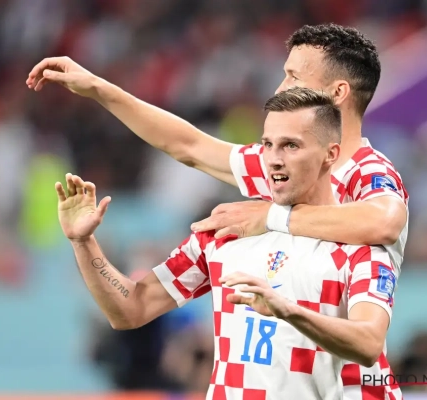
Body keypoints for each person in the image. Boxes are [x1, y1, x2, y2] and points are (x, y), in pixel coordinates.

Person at [54, 88, 403, 400]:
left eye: (291, 146)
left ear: (330, 154)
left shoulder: (360, 248)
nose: (274, 158)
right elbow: (132, 307)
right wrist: (83, 243)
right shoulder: (226, 233)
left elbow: (367, 343)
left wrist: (288, 311)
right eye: (267, 144)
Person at [26, 23, 409, 275]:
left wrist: (271, 217)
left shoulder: (370, 171)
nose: (280, 88)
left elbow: (385, 223)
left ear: (338, 92)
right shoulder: (280, 164)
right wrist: (98, 88)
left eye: (293, 76)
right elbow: (188, 145)